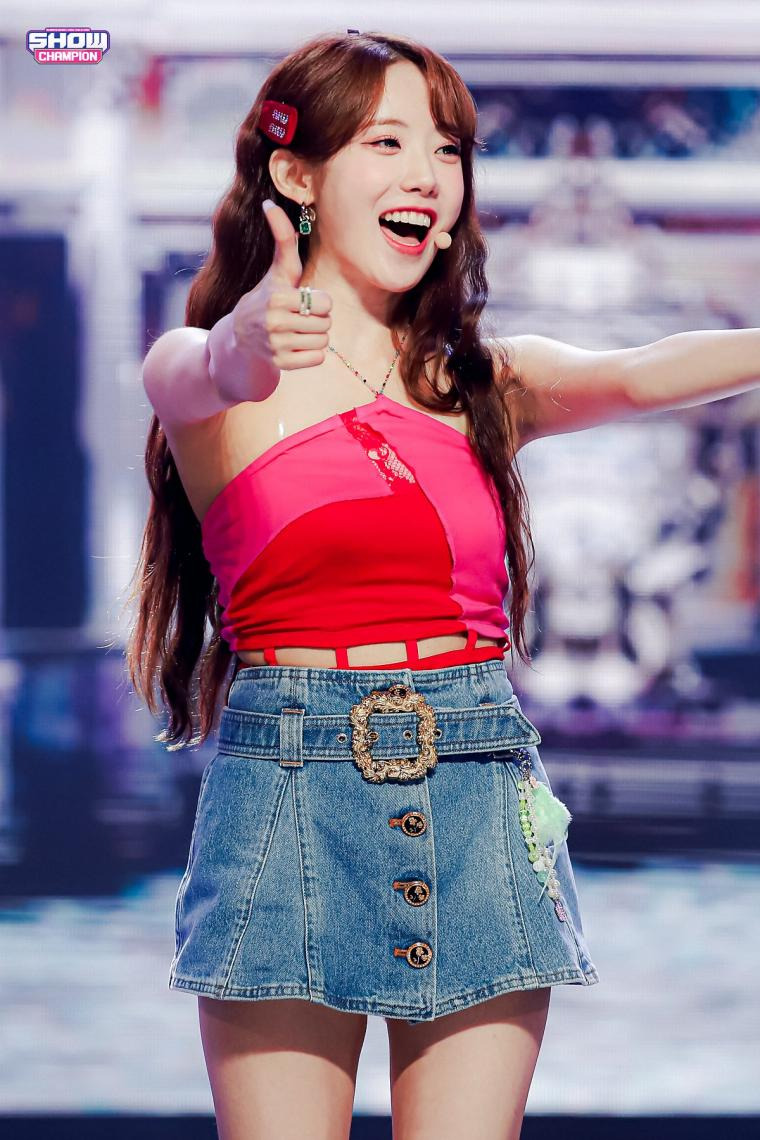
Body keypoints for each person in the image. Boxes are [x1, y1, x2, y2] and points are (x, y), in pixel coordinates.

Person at [125, 29, 760, 1140]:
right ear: (295, 174)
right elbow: (189, 369)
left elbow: (637, 373)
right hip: (289, 788)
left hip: (478, 778)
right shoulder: (216, 369)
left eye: (449, 149)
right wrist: (242, 345)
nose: (428, 175)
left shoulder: (476, 383)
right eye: (387, 142)